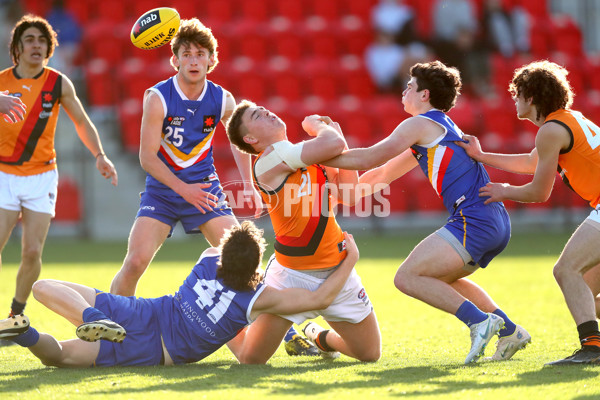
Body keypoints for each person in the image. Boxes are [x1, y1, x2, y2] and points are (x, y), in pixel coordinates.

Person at [108, 18, 315, 356]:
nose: (193, 60)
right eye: (186, 54)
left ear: (210, 60)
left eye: (200, 54)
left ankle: (287, 333)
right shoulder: (156, 97)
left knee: (246, 262)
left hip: (204, 189)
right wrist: (182, 189)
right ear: (175, 60)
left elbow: (239, 142)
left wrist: (249, 184)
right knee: (134, 263)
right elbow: (147, 158)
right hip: (163, 191)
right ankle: (110, 325)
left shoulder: (222, 99)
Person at [325, 61, 530, 363]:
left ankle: (480, 322)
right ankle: (510, 331)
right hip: (491, 219)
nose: (404, 90)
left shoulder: (420, 124)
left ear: (425, 95)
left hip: (473, 219)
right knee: (438, 279)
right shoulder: (434, 130)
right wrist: (335, 193)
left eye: (409, 86)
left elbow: (372, 155)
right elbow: (378, 176)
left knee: (407, 277)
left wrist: (320, 152)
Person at [0, 222, 359, 367]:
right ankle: (29, 335)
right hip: (154, 350)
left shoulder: (207, 258)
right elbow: (320, 299)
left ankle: (88, 318)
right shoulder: (259, 298)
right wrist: (350, 259)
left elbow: (226, 250)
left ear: (223, 251)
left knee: (42, 287)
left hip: (140, 312)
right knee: (59, 357)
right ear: (255, 267)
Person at [457, 60, 600, 365]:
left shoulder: (551, 130)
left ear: (531, 96)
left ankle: (592, 349)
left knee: (566, 271)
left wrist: (503, 191)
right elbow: (531, 161)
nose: (514, 98)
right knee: (586, 292)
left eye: (517, 92)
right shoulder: (565, 120)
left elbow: (539, 192)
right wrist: (482, 156)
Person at [226, 101, 382, 363]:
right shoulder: (267, 162)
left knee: (369, 354)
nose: (266, 111)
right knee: (250, 359)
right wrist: (318, 126)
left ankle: (316, 335)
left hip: (336, 267)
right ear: (251, 138)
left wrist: (340, 140)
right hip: (291, 277)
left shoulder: (305, 153)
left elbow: (349, 194)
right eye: (256, 115)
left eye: (264, 108)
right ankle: (225, 304)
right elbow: (331, 143)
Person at [0, 15, 118, 342]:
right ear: (17, 47)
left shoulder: (58, 83)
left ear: (49, 48)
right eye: (30, 40)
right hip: (4, 175)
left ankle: (16, 313)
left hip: (41, 176)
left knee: (31, 253)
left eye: (42, 40)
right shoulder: (1, 81)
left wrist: (100, 155)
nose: (36, 45)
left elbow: (81, 120)